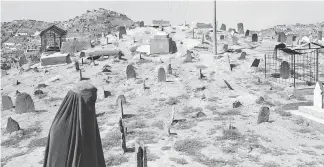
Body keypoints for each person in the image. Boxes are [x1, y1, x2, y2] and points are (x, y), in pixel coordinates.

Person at [43, 81, 105, 167]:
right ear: (78, 101)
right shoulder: (59, 130)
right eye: (88, 102)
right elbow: (57, 161)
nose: (90, 107)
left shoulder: (87, 120)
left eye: (92, 103)